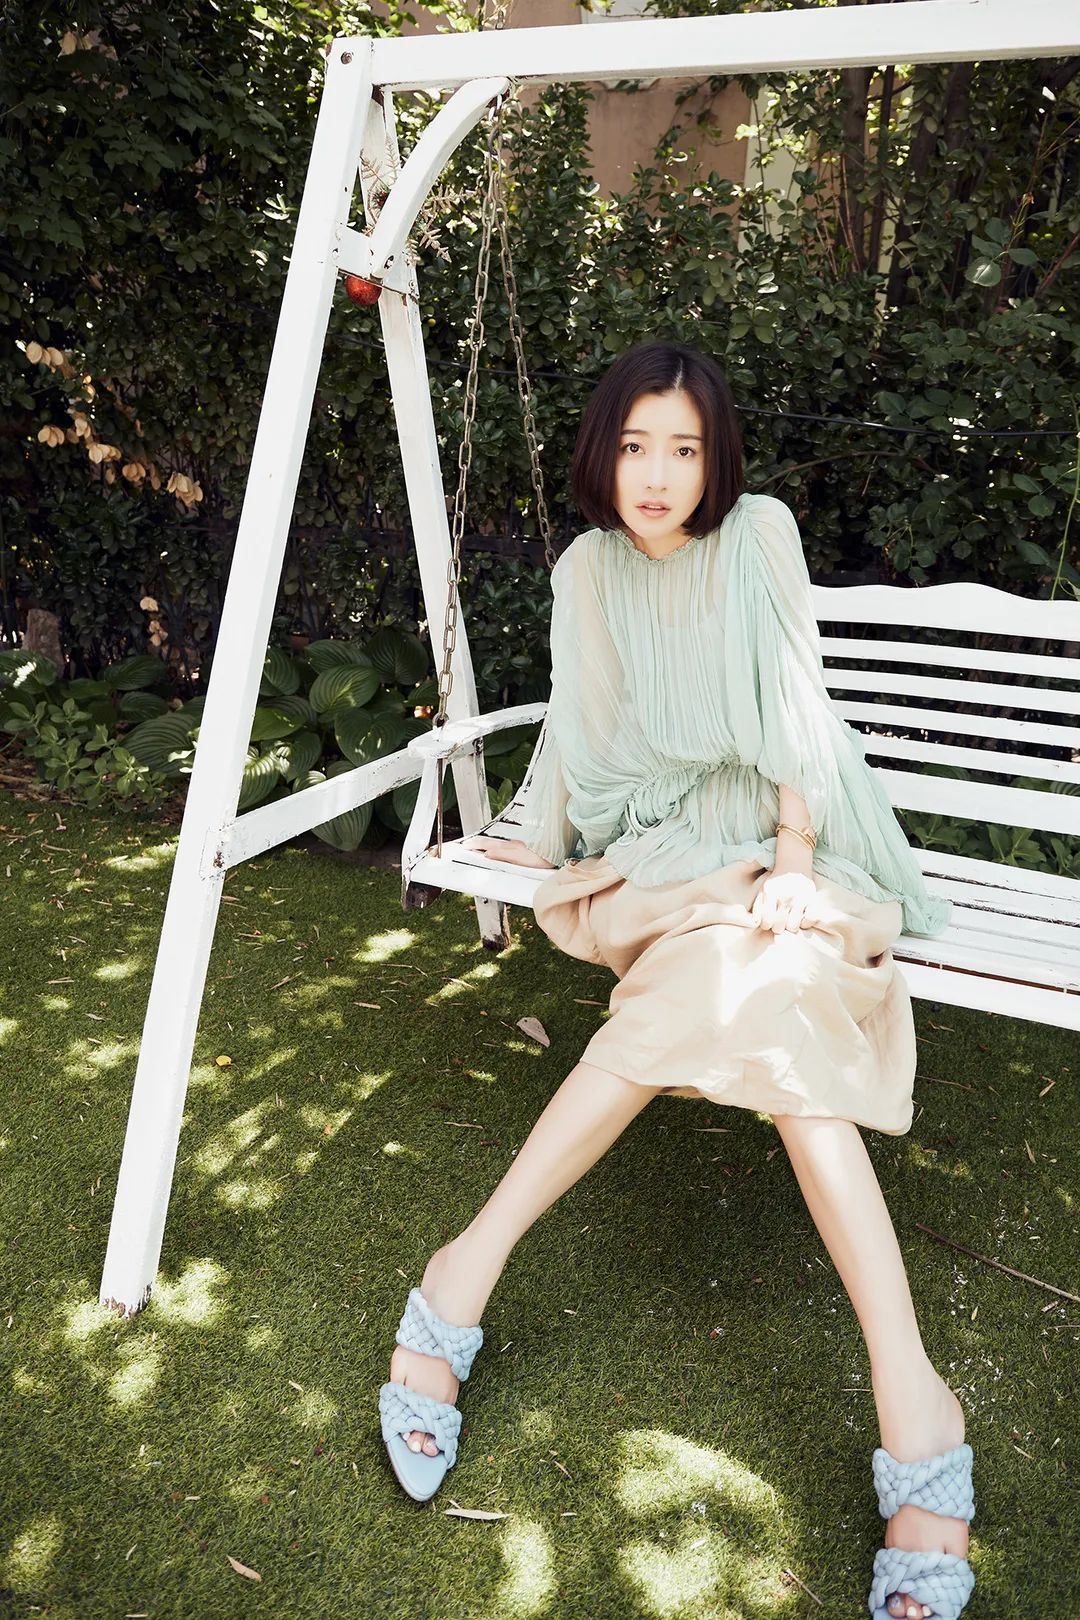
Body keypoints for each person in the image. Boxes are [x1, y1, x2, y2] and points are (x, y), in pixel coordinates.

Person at [379, 342, 975, 1620]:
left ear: (718, 461)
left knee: (750, 992)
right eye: (637, 446)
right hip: (669, 852)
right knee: (734, 995)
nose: (657, 474)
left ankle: (460, 1275)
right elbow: (580, 721)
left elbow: (799, 702)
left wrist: (794, 863)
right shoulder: (589, 570)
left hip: (789, 839)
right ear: (605, 453)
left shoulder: (758, 536)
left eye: (685, 448)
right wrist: (532, 836)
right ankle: (918, 1406)